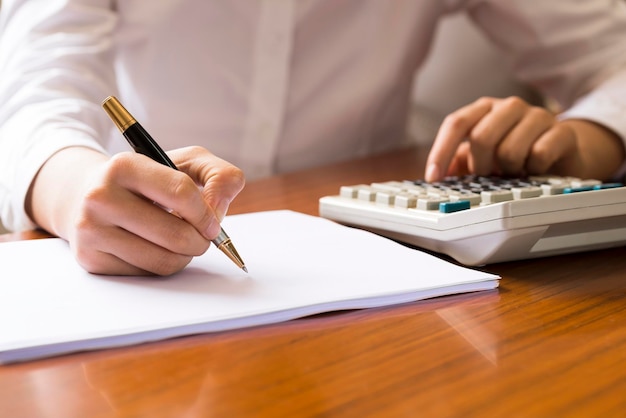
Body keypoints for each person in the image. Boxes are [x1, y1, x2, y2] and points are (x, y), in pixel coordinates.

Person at [1, 1, 625, 275]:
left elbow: (614, 57)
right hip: (137, 231)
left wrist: (586, 139)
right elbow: (29, 91)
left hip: (377, 253)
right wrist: (71, 186)